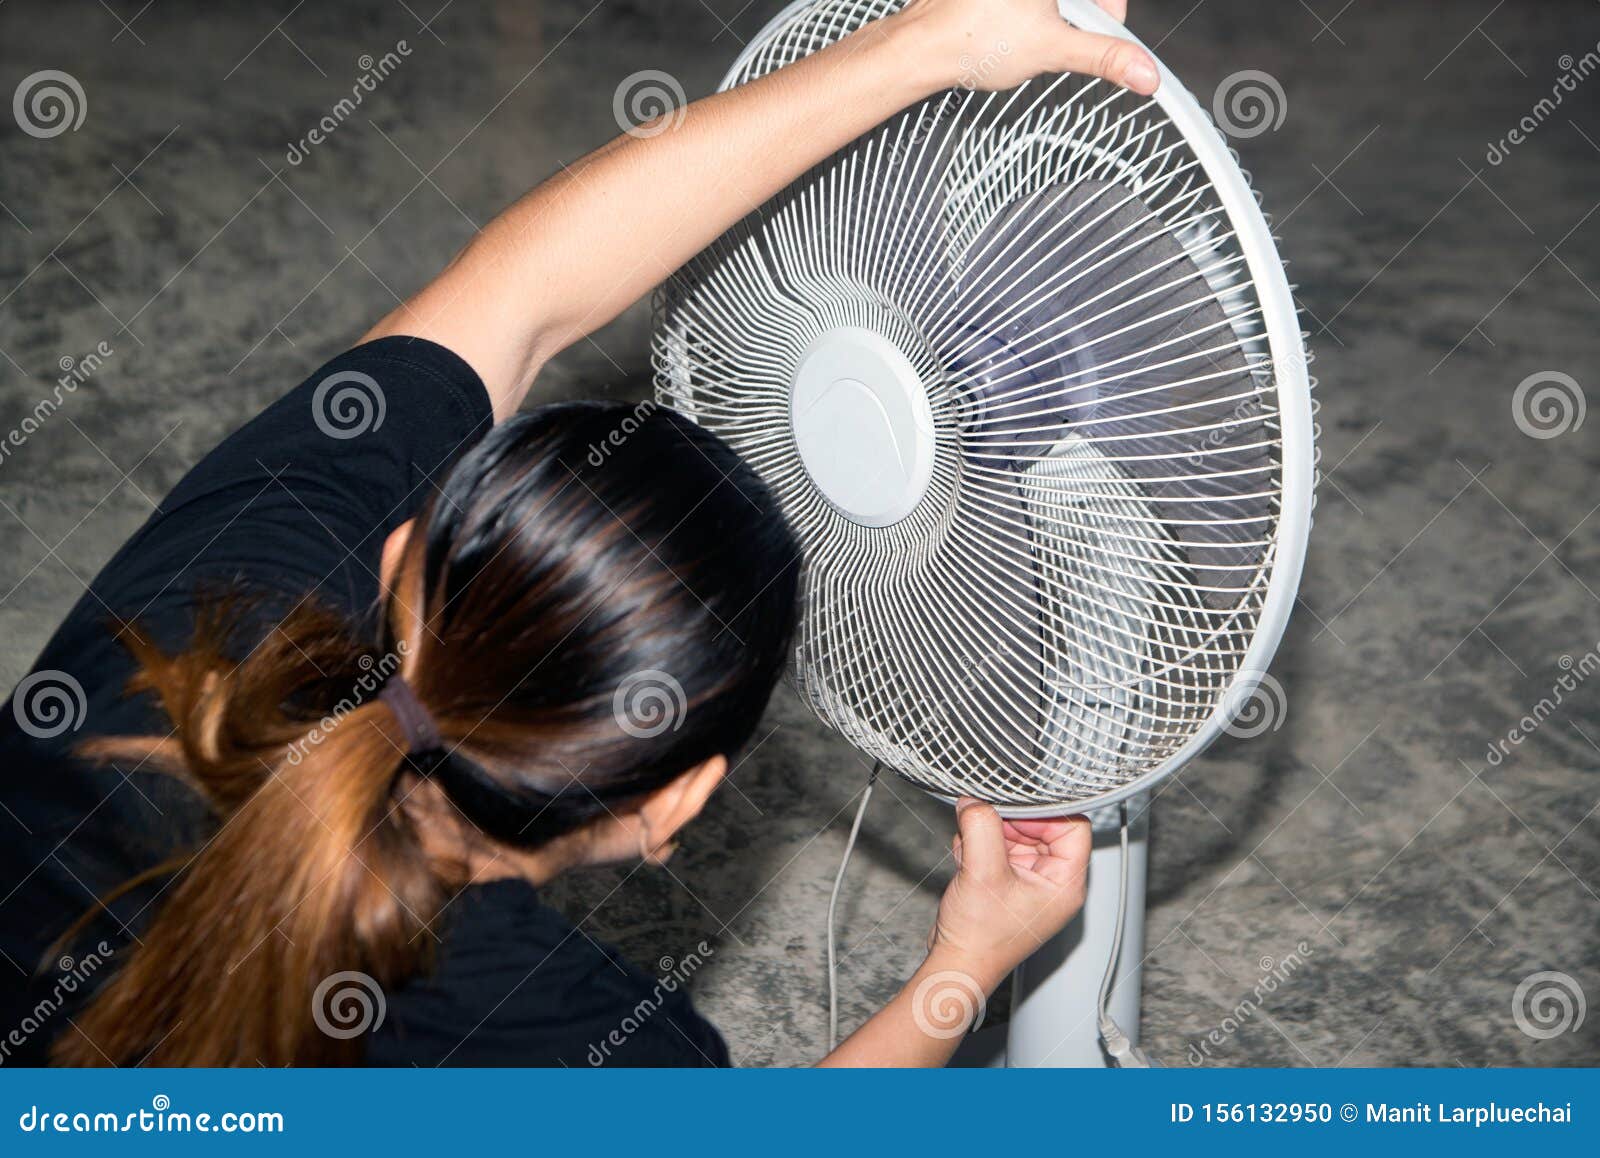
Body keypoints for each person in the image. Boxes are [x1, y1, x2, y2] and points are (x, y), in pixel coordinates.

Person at [0, 0, 1157, 1066]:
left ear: (398, 557)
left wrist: (921, 46)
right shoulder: (562, 1030)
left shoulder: (211, 601)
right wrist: (964, 964)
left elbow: (523, 292)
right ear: (674, 808)